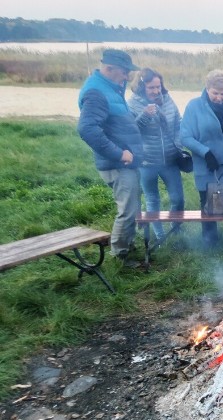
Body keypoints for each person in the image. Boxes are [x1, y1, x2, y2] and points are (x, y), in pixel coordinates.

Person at [77, 49, 144, 267]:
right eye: (124, 72)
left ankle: (128, 246)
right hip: (117, 164)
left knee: (132, 207)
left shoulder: (111, 88)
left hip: (126, 163)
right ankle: (120, 256)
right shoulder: (96, 92)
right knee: (127, 210)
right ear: (109, 69)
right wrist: (118, 153)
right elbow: (87, 129)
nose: (127, 77)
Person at [180, 69, 223, 252]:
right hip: (207, 168)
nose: (219, 97)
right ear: (207, 88)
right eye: (215, 93)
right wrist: (205, 153)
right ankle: (210, 244)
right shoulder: (194, 106)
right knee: (208, 207)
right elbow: (185, 137)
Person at [128, 68, 185, 243]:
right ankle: (160, 236)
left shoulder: (167, 99)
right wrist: (145, 115)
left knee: (178, 198)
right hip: (146, 161)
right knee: (153, 199)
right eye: (151, 87)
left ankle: (174, 230)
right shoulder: (133, 104)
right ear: (141, 86)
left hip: (170, 159)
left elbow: (178, 123)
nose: (155, 91)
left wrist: (179, 144)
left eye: (158, 86)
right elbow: (131, 132)